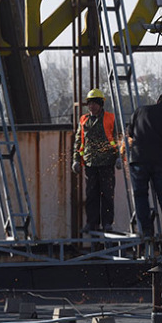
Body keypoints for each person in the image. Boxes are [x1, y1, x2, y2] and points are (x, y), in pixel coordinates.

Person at [127, 93, 162, 238]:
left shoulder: (140, 111)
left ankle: (146, 231)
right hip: (159, 161)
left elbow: (130, 133)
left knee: (140, 195)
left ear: (158, 101)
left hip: (138, 159)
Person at [72, 88, 122, 233]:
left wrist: (120, 156)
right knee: (91, 195)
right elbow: (78, 141)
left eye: (94, 103)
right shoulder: (84, 120)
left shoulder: (110, 118)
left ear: (100, 104)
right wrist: (76, 159)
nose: (91, 106)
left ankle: (107, 223)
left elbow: (118, 138)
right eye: (89, 103)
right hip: (90, 163)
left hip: (107, 162)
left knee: (107, 194)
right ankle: (91, 222)